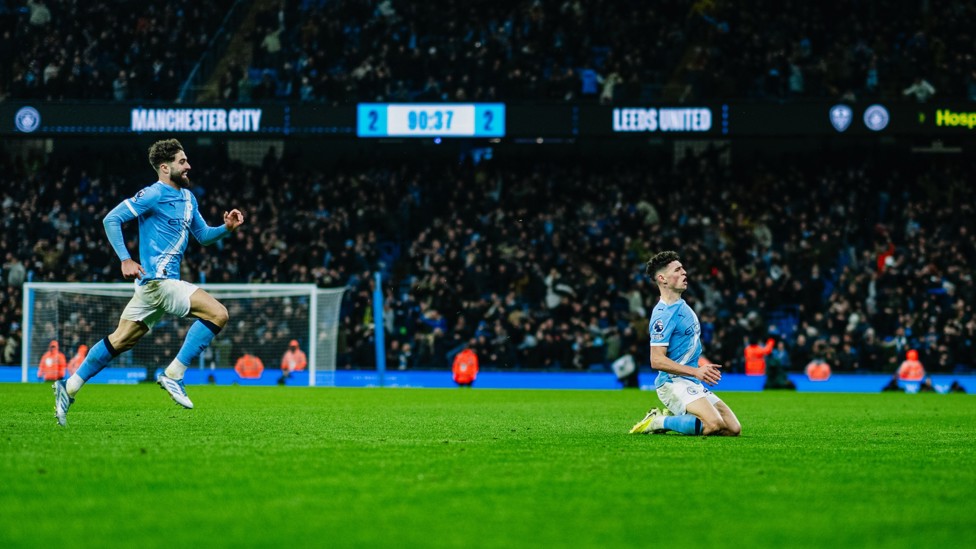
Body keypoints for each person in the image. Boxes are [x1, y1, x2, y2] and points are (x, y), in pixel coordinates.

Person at [53, 139, 245, 426]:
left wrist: (226, 229)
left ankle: (68, 389)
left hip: (152, 287)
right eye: (182, 161)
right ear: (165, 168)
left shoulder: (189, 198)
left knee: (121, 340)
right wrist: (125, 259)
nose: (189, 165)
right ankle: (174, 374)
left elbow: (203, 236)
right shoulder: (153, 194)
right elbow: (111, 219)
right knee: (218, 313)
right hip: (158, 281)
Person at [630, 251, 741, 436]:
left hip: (691, 380)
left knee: (732, 429)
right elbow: (656, 360)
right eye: (678, 269)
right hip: (671, 382)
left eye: (683, 268)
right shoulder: (662, 315)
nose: (684, 272)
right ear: (662, 278)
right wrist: (696, 371)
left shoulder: (682, 305)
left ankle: (676, 417)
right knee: (713, 425)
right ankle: (658, 421)